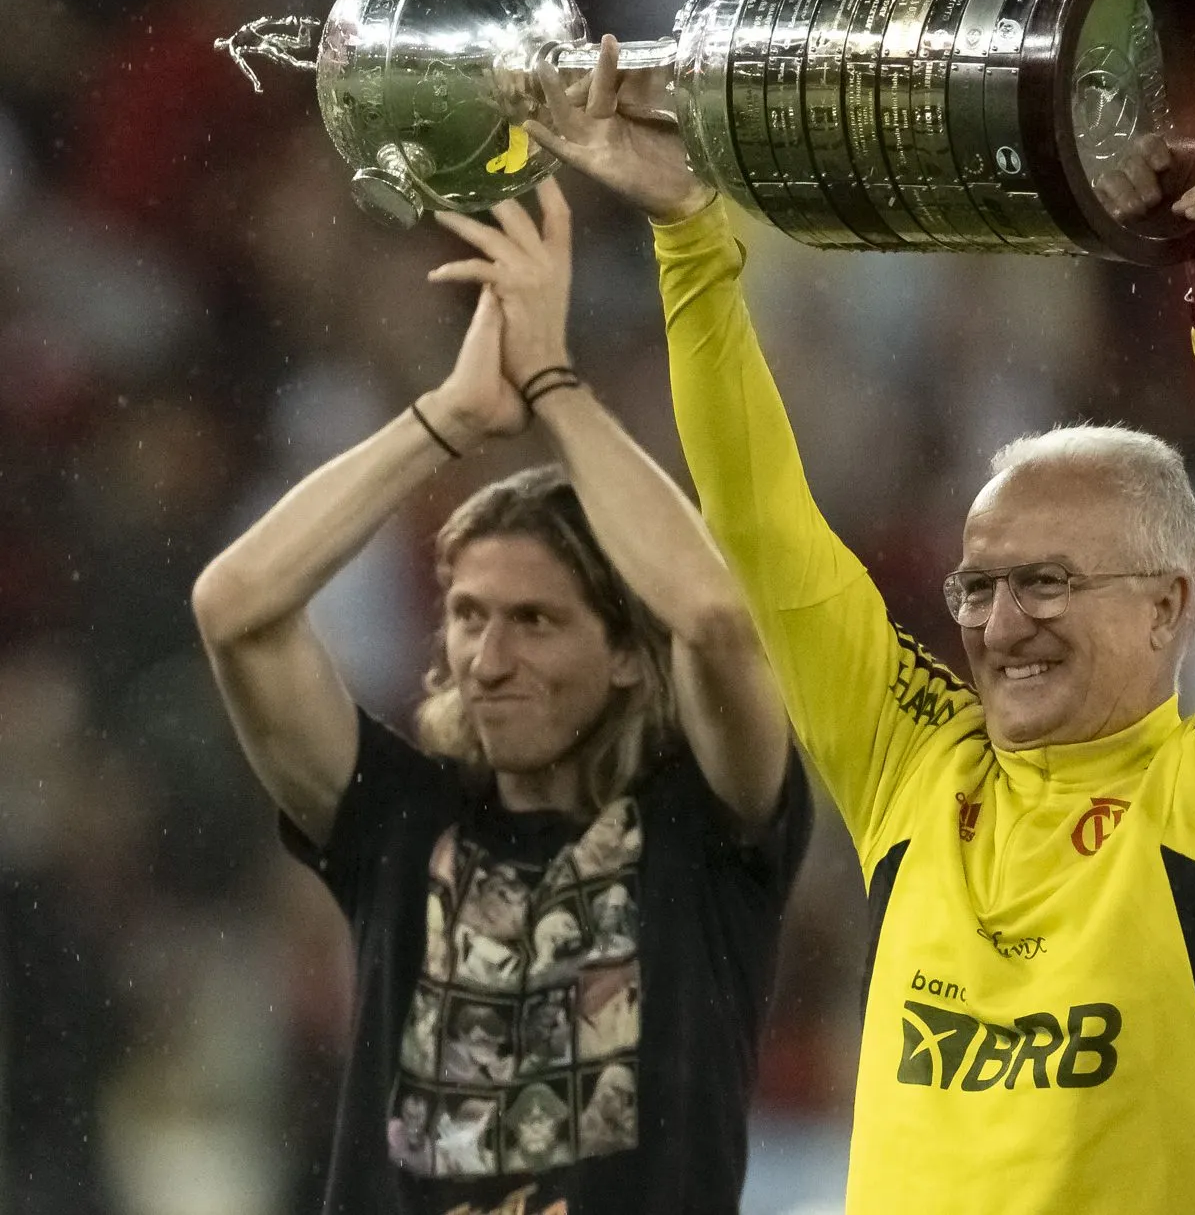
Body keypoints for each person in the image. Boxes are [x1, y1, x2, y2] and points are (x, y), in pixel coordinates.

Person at [522, 37, 1195, 1212]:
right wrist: (688, 231)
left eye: (1046, 583)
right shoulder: (918, 770)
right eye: (977, 587)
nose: (1000, 624)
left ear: (1166, 604)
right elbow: (763, 525)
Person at [190, 178, 806, 1214]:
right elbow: (236, 606)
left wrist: (557, 386)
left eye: (535, 620)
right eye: (468, 616)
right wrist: (451, 417)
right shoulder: (399, 816)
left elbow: (711, 619)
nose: (487, 655)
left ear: (624, 653)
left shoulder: (703, 831)